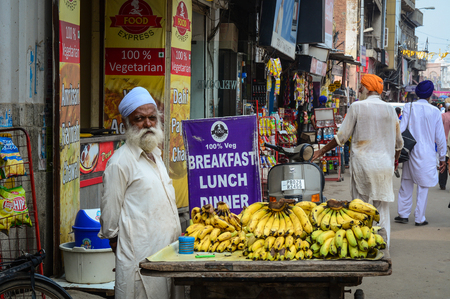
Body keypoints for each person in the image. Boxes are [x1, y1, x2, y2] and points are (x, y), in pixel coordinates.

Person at [99, 87, 181, 299]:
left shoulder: (156, 155)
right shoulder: (120, 162)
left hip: (167, 255)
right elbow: (109, 220)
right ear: (127, 122)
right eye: (140, 119)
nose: (148, 124)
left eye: (152, 118)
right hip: (140, 261)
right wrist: (120, 247)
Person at [312, 74, 403, 247]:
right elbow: (399, 144)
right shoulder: (390, 110)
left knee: (359, 207)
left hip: (363, 165)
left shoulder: (357, 107)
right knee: (381, 208)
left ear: (368, 88)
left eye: (361, 86)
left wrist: (322, 150)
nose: (359, 89)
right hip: (384, 166)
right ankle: (383, 246)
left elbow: (342, 137)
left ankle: (362, 244)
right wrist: (395, 162)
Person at [395, 80, 446, 226]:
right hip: (427, 154)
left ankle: (403, 214)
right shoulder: (435, 111)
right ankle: (419, 218)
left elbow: (401, 128)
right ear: (430, 94)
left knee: (406, 182)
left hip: (409, 151)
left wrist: (397, 150)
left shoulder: (409, 107)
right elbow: (440, 137)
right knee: (423, 186)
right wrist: (442, 157)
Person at [439, 102, 450, 190]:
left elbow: (439, 129)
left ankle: (442, 184)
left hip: (444, 143)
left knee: (444, 162)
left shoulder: (443, 116)